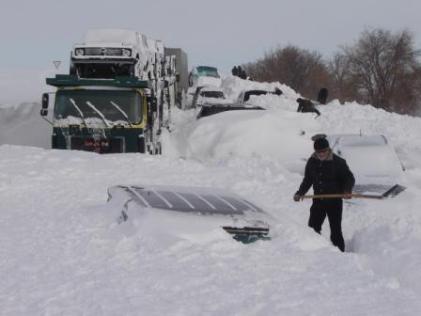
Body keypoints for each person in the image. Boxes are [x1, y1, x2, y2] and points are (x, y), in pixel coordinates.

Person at [293, 137, 355, 252]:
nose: (321, 154)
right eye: (318, 152)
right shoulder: (312, 162)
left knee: (335, 231)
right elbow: (308, 179)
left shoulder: (338, 162)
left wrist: (347, 190)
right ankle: (316, 252)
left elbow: (349, 178)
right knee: (312, 229)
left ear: (328, 150)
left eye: (324, 151)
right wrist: (300, 192)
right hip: (318, 200)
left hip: (334, 202)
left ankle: (341, 254)